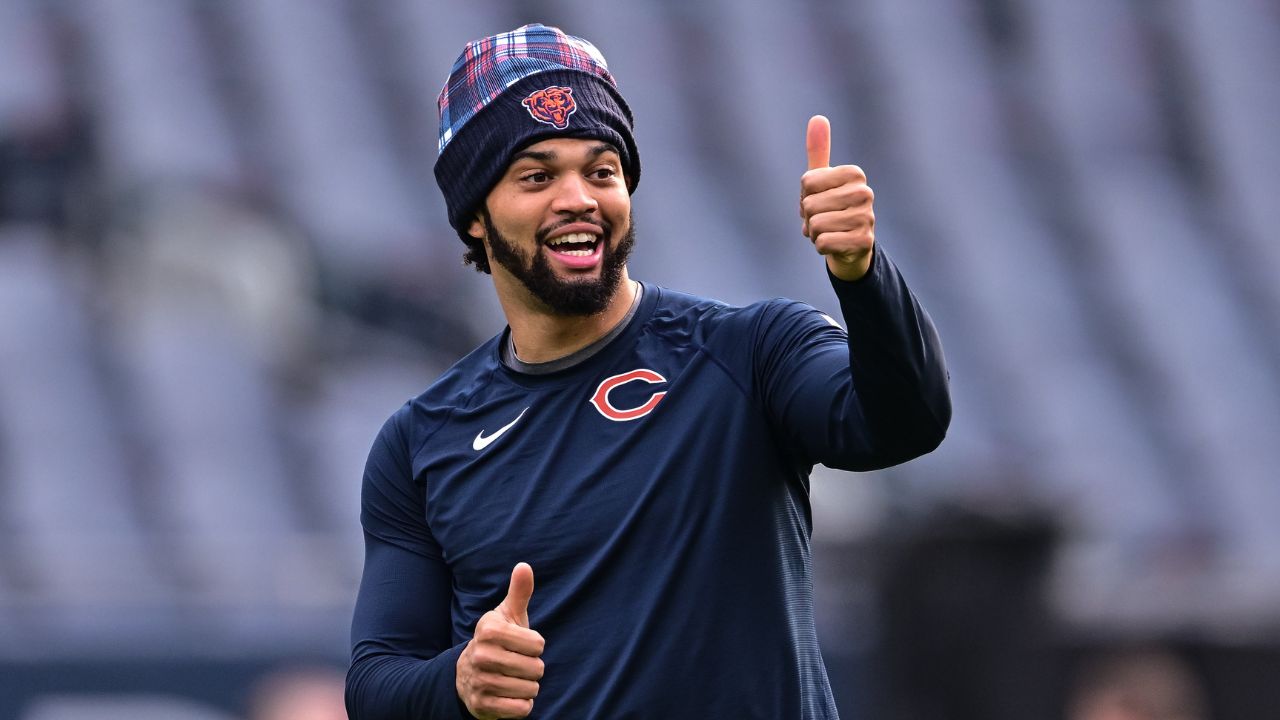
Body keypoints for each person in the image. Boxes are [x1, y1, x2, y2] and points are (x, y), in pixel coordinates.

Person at [345, 23, 950, 720]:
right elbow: (375, 686)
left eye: (601, 171)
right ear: (476, 218)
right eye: (537, 176)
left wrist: (863, 274)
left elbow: (905, 423)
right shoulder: (420, 443)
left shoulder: (750, 351)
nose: (577, 196)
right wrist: (459, 681)